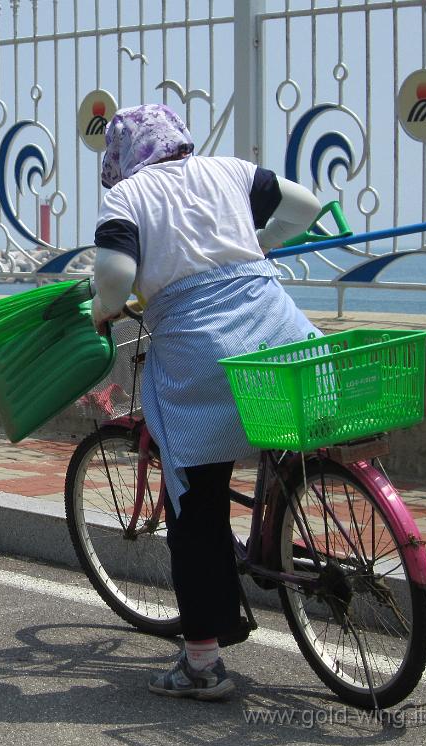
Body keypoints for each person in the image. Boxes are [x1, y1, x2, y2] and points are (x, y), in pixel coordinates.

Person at [90, 104, 321, 701]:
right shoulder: (228, 170)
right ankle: (281, 535)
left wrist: (103, 309)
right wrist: (258, 245)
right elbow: (307, 208)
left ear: (120, 157)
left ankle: (202, 663)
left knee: (195, 498)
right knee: (276, 428)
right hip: (280, 331)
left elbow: (115, 274)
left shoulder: (129, 197)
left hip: (203, 356)